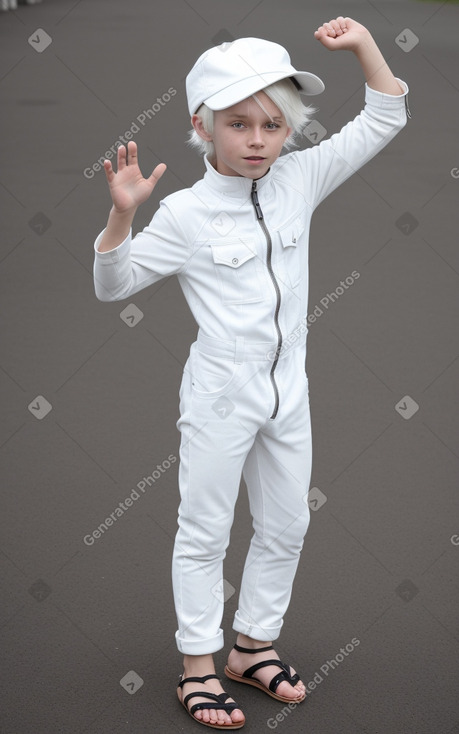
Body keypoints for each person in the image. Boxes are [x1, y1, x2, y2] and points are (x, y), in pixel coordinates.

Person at [92, 17, 410, 730]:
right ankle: (198, 669)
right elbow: (113, 288)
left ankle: (252, 649)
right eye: (239, 124)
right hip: (220, 394)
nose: (259, 139)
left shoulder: (300, 175)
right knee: (204, 531)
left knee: (288, 523)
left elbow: (384, 114)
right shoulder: (185, 213)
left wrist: (362, 45)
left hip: (287, 390)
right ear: (201, 127)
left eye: (273, 123)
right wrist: (120, 221)